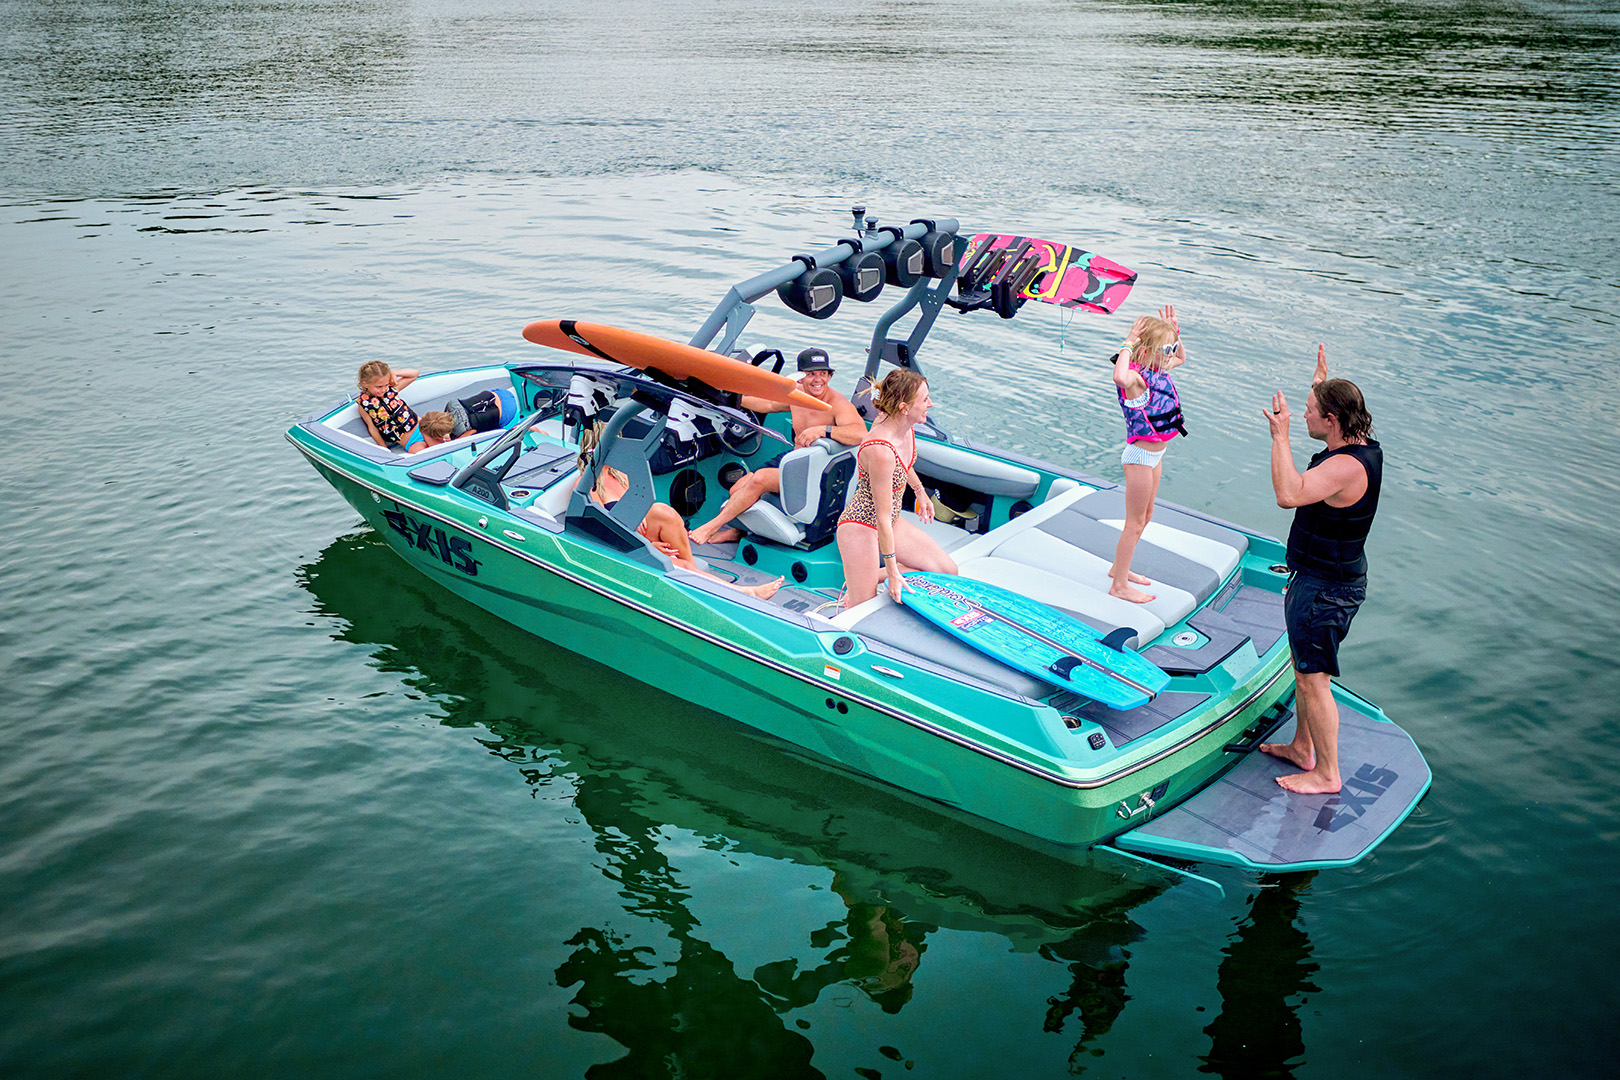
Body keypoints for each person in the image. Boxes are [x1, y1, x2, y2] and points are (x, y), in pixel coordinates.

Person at [1259, 345, 1381, 795]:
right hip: (1331, 578)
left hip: (1326, 588)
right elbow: (1329, 406)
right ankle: (1302, 747)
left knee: (1313, 680)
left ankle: (1327, 774)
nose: (1304, 413)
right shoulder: (1363, 444)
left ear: (1332, 420)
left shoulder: (1343, 468)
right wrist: (1320, 383)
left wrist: (1280, 436)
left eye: (1311, 410)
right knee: (1306, 669)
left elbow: (1289, 494)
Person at [572, 425, 784, 600]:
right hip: (619, 548)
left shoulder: (620, 475)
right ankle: (743, 593)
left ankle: (693, 572)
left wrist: (642, 528)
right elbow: (601, 532)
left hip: (638, 539)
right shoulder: (586, 484)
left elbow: (640, 507)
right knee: (678, 562)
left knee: (665, 515)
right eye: (616, 444)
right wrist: (648, 546)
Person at [688, 347, 867, 545]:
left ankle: (711, 526)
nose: (818, 380)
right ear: (801, 377)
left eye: (823, 374)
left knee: (760, 479)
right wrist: (728, 400)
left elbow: (861, 433)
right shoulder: (798, 395)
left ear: (829, 376)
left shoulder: (837, 403)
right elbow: (769, 405)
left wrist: (823, 430)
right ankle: (738, 532)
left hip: (815, 471)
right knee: (736, 489)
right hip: (793, 460)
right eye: (811, 374)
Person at [835, 369, 959, 607]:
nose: (930, 404)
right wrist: (892, 573)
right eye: (924, 400)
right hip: (862, 526)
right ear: (904, 407)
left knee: (946, 571)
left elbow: (903, 463)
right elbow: (880, 519)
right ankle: (859, 586)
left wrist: (921, 492)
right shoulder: (880, 451)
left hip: (890, 520)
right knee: (862, 608)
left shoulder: (902, 424)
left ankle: (860, 579)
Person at [1108, 305, 1189, 604]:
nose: (1170, 354)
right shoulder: (1136, 379)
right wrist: (1129, 341)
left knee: (1148, 515)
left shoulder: (1159, 369)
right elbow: (1119, 377)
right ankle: (1118, 585)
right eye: (1164, 348)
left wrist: (1175, 333)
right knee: (1135, 521)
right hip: (1140, 457)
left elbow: (1181, 357)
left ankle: (1120, 567)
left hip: (1156, 455)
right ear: (1146, 351)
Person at [356, 361, 421, 450]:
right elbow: (372, 428)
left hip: (423, 426)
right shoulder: (364, 405)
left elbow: (415, 374)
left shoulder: (392, 389)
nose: (383, 390)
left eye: (386, 385)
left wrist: (394, 373)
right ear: (365, 384)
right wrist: (383, 448)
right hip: (412, 441)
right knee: (419, 452)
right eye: (379, 387)